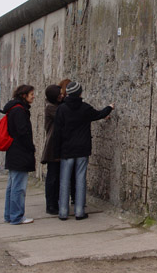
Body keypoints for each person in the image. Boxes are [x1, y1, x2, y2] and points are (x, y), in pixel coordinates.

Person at [54, 81, 114, 220]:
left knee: (64, 180)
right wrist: (109, 107)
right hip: (82, 149)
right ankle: (79, 211)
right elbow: (98, 114)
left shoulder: (61, 109)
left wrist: (57, 151)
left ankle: (63, 212)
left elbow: (57, 132)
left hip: (66, 150)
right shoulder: (84, 108)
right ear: (80, 93)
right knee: (80, 179)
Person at [2, 85, 36, 225]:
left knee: (12, 185)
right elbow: (23, 132)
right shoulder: (19, 111)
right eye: (31, 94)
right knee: (18, 187)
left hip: (14, 152)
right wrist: (31, 148)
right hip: (20, 152)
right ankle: (16, 216)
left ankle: (9, 215)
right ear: (24, 95)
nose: (33, 96)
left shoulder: (14, 109)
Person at [40, 85, 63, 215]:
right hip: (53, 147)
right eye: (59, 94)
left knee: (56, 176)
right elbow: (63, 115)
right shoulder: (51, 108)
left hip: (57, 145)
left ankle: (55, 202)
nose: (62, 95)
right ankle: (51, 204)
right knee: (53, 177)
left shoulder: (54, 106)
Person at [58, 78, 76, 204]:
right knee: (74, 176)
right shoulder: (69, 107)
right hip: (74, 146)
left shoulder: (60, 107)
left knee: (65, 178)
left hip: (65, 146)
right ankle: (75, 201)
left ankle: (63, 209)